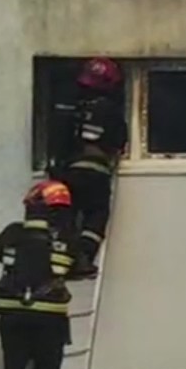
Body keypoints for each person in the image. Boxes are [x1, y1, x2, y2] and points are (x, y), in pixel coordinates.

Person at [0, 179, 79, 369]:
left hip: (11, 315)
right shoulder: (64, 237)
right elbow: (77, 266)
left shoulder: (12, 233)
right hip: (49, 316)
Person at [47, 57, 126, 276]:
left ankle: (64, 261)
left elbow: (58, 140)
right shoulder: (111, 110)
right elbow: (119, 141)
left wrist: (56, 169)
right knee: (96, 215)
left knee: (67, 216)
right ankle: (84, 257)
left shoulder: (71, 109)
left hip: (69, 171)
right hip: (96, 171)